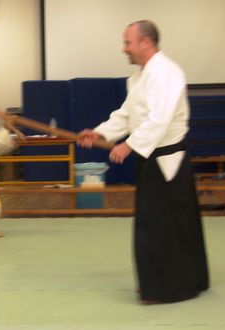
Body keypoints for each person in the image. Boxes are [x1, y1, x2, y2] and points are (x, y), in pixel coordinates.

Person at [77, 20, 209, 303]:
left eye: (128, 42)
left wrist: (129, 146)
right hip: (152, 159)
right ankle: (158, 282)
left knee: (167, 227)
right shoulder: (139, 78)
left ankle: (173, 286)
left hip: (168, 160)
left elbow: (159, 118)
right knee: (155, 226)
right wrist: (99, 132)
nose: (124, 48)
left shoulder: (167, 72)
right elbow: (126, 115)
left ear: (146, 42)